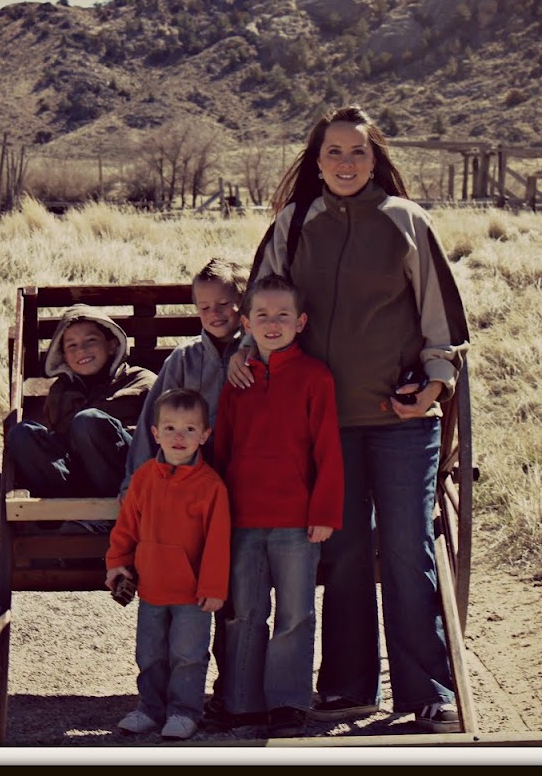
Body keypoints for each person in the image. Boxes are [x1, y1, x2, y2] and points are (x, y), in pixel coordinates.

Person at [229, 105, 471, 734]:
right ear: (316, 161)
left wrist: (434, 384)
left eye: (357, 151)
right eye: (333, 151)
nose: (345, 162)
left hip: (399, 418)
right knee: (342, 553)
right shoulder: (293, 224)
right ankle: (346, 686)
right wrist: (246, 352)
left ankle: (429, 692)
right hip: (321, 424)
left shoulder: (406, 220)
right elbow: (264, 304)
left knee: (407, 548)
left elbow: (440, 318)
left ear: (374, 158)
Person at [117, 257, 248, 728]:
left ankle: (229, 695)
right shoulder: (184, 360)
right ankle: (155, 705)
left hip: (240, 491)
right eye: (204, 306)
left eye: (224, 304)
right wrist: (136, 486)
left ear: (242, 303)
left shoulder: (259, 350)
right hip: (184, 497)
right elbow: (151, 425)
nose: (215, 314)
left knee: (236, 600)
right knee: (159, 632)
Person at [213, 273, 344, 739]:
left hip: (296, 521)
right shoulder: (238, 381)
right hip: (243, 519)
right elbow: (222, 449)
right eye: (263, 316)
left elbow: (328, 449)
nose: (273, 324)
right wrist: (219, 514)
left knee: (295, 613)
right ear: (246, 323)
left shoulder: (314, 377)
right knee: (244, 613)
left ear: (300, 322)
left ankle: (287, 702)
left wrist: (324, 513)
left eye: (283, 315)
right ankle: (242, 703)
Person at [105, 388, 231, 741]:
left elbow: (218, 541)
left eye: (190, 429)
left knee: (188, 655)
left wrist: (213, 587)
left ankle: (184, 712)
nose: (179, 437)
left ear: (204, 435)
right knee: (150, 653)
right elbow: (126, 526)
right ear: (155, 433)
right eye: (170, 428)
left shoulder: (211, 486)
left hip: (192, 594)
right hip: (151, 587)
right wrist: (117, 563)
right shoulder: (144, 478)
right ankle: (150, 709)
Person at [5, 305, 156, 509]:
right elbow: (57, 440)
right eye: (72, 346)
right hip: (77, 480)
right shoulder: (60, 392)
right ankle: (70, 510)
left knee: (87, 421)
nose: (81, 350)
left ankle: (110, 509)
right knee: (21, 434)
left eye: (91, 340)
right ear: (65, 358)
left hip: (126, 476)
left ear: (112, 345)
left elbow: (160, 435)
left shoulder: (142, 381)